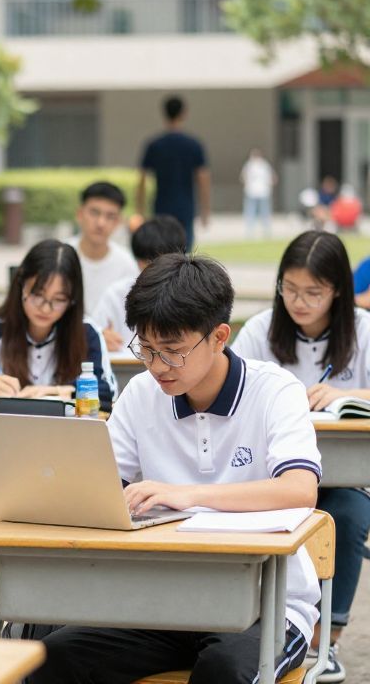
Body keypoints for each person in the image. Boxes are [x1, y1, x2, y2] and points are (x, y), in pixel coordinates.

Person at [27, 253, 319, 684]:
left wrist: (190, 495)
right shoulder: (142, 394)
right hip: (162, 603)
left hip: (267, 605)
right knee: (49, 658)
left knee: (225, 670)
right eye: (145, 348)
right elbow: (102, 489)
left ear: (219, 337)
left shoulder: (275, 391)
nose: (157, 365)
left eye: (173, 351)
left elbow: (299, 490)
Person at [232, 231, 370, 682]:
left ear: (338, 292)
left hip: (342, 475)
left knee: (347, 514)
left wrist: (349, 394)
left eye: (314, 292)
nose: (300, 302)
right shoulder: (259, 331)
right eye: (289, 289)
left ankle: (325, 641)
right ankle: (259, 625)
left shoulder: (363, 329)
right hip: (271, 475)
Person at [0, 239, 116, 411]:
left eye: (59, 299)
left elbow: (109, 391)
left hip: (65, 438)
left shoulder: (86, 332)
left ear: (73, 300)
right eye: (37, 295)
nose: (46, 308)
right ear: (21, 285)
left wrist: (61, 391)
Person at [93, 215, 187, 355]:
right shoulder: (116, 295)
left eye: (163, 263)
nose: (157, 271)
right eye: (149, 263)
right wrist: (98, 338)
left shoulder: (193, 296)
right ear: (138, 261)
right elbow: (92, 335)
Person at [136, 95, 210, 251]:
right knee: (184, 252)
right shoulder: (193, 144)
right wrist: (205, 211)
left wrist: (140, 210)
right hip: (185, 207)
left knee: (162, 253)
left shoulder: (154, 145)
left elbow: (142, 180)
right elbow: (203, 179)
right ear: (184, 113)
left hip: (161, 206)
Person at [67, 181, 137, 316]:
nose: (101, 223)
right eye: (94, 213)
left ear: (118, 222)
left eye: (110, 216)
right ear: (80, 214)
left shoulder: (127, 264)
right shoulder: (61, 255)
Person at [240, 147, 276, 239]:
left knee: (254, 212)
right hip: (260, 192)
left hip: (254, 191)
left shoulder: (250, 165)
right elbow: (273, 178)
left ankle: (253, 231)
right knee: (260, 212)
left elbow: (243, 178)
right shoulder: (263, 165)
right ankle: (263, 231)